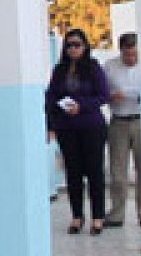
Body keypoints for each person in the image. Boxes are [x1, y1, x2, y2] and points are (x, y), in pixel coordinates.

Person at [46, 29, 112, 234]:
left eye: (77, 45)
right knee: (73, 173)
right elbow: (51, 96)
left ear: (85, 46)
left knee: (94, 172)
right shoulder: (59, 70)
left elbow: (103, 95)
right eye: (69, 45)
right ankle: (77, 216)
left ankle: (98, 217)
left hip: (91, 125)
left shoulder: (93, 67)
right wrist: (53, 121)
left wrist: (81, 106)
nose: (73, 49)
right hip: (67, 128)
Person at [103, 32, 141, 227]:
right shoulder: (109, 67)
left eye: (134, 55)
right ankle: (117, 213)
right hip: (119, 120)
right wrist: (112, 96)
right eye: (127, 55)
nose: (131, 59)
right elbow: (101, 92)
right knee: (118, 170)